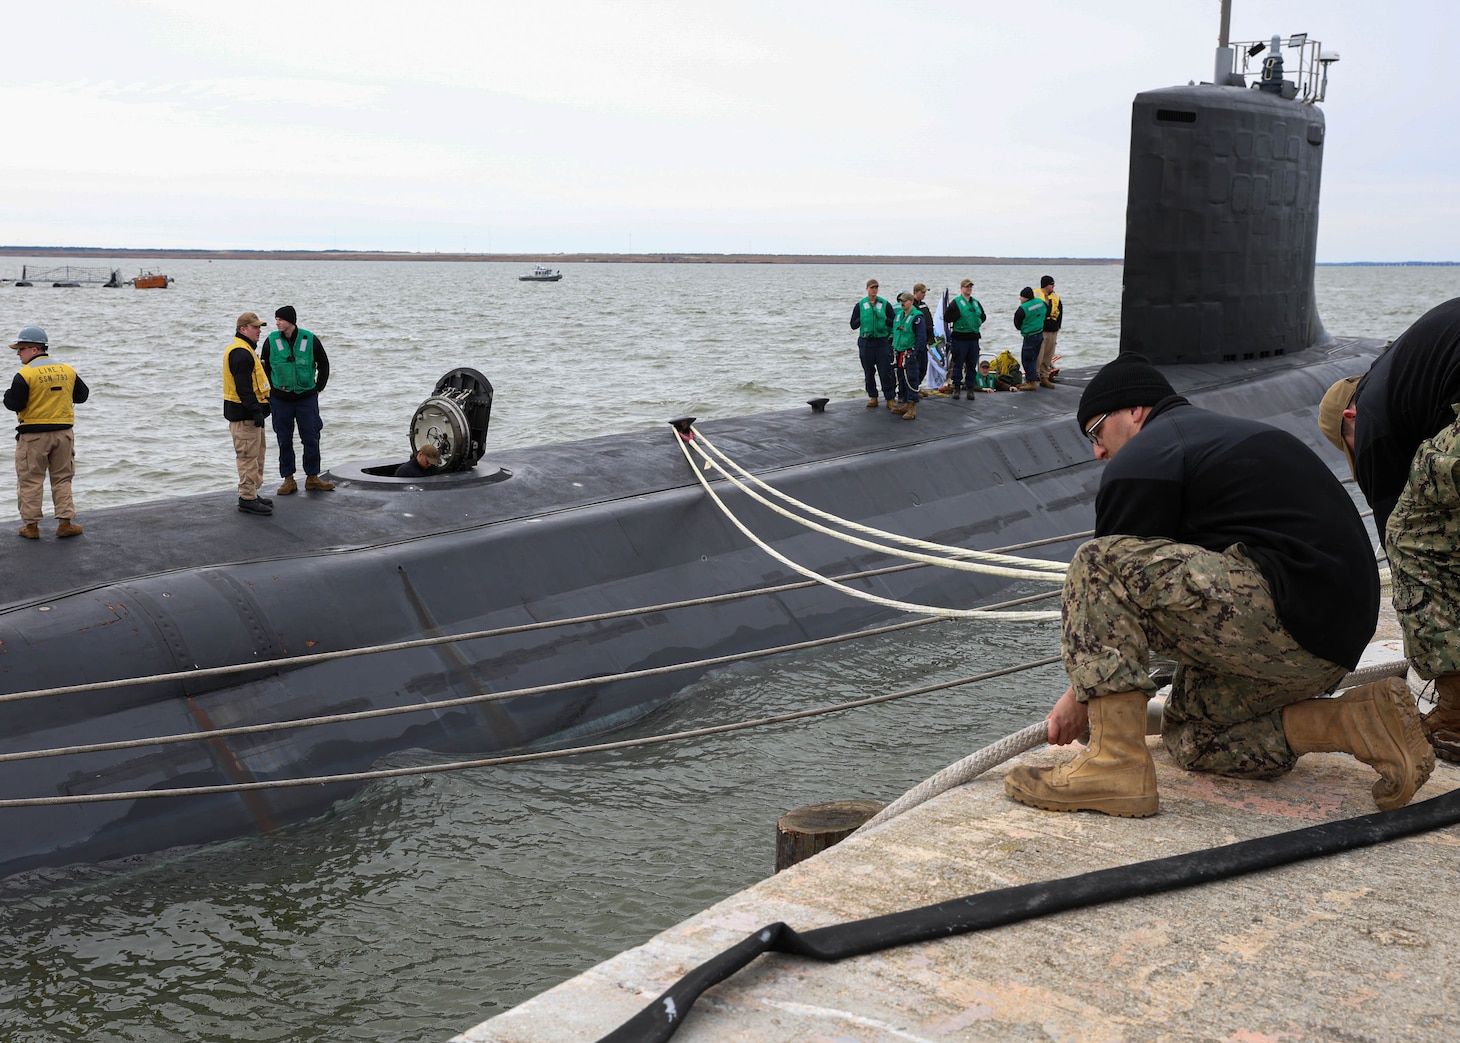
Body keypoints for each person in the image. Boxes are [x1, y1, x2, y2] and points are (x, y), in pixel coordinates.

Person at [1005, 352, 1431, 818]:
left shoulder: (1149, 453)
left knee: (1097, 563)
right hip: (1331, 643)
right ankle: (1355, 722)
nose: (1098, 451)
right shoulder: (1225, 436)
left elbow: (1107, 587)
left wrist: (1079, 699)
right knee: (1193, 739)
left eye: (1095, 431)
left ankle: (1115, 764)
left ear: (1134, 411)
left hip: (1286, 609)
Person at [1318, 297, 1460, 762]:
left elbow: (1395, 533)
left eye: (1348, 446)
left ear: (1349, 419)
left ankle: (1458, 714)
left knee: (1409, 538)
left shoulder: (1373, 418)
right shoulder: (1407, 373)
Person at [4, 325, 89, 539]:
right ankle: (65, 523)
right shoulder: (67, 369)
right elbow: (82, 395)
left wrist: (6, 394)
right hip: (64, 434)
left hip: (33, 436)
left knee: (31, 480)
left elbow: (14, 402)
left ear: (34, 349)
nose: (18, 353)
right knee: (62, 478)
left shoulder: (25, 374)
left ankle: (31, 527)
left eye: (21, 348)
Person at [263, 305, 334, 495]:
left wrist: (318, 388)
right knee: (283, 439)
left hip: (306, 398)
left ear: (291, 321)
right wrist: (270, 391)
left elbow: (324, 364)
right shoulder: (271, 341)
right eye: (276, 319)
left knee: (311, 437)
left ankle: (312, 477)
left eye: (280, 319)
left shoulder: (310, 339)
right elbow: (264, 368)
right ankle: (288, 479)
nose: (277, 322)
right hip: (280, 399)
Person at [224, 312, 274, 516]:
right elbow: (243, 388)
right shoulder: (240, 352)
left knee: (256, 455)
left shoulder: (246, 350)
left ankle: (251, 492)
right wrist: (255, 410)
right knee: (247, 457)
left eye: (260, 327)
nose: (259, 331)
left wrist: (262, 408)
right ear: (243, 329)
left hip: (250, 415)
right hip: (244, 416)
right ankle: (247, 497)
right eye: (255, 328)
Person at [850, 279, 897, 410]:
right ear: (867, 289)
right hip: (866, 342)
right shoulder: (860, 305)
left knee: (885, 371)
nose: (874, 290)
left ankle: (890, 398)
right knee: (868, 372)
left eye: (876, 287)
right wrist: (863, 318)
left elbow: (894, 322)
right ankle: (873, 396)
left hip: (881, 342)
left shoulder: (884, 304)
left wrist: (883, 318)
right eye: (872, 287)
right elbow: (853, 325)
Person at [943, 279, 986, 398]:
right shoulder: (956, 302)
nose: (968, 289)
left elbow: (983, 316)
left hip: (973, 338)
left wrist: (977, 322)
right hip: (960, 338)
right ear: (961, 288)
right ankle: (956, 387)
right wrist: (958, 317)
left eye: (970, 287)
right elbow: (947, 317)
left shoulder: (976, 302)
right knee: (958, 364)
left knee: (971, 365)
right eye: (966, 287)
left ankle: (970, 387)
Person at [890, 292, 927, 420]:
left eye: (905, 301)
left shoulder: (917, 317)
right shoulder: (899, 315)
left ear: (911, 301)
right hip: (899, 352)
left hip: (910, 353)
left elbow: (921, 338)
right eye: (901, 301)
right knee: (902, 379)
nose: (902, 303)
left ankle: (912, 407)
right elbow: (895, 332)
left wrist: (916, 353)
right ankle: (905, 402)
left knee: (911, 379)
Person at [1013, 287, 1047, 391]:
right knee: (1034, 358)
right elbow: (1047, 312)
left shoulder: (1023, 308)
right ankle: (1029, 380)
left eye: (1021, 297)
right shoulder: (1041, 302)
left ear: (1026, 298)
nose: (1020, 299)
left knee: (1027, 359)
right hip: (1040, 334)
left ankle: (1031, 382)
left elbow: (1017, 323)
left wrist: (1024, 327)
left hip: (1030, 336)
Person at [1035, 275, 1063, 388]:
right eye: (1051, 284)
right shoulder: (1035, 295)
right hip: (1041, 329)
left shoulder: (1056, 296)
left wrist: (1058, 326)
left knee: (1048, 354)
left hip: (1053, 329)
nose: (1053, 286)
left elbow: (1060, 311)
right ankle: (1034, 376)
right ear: (1046, 285)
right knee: (1039, 354)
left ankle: (1045, 376)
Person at [910, 283, 935, 396]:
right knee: (914, 367)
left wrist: (931, 339)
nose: (924, 295)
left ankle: (916, 387)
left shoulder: (924, 305)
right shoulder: (911, 306)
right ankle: (912, 389)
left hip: (925, 340)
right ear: (916, 292)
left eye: (925, 292)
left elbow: (929, 323)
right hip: (915, 341)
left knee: (923, 367)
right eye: (923, 292)